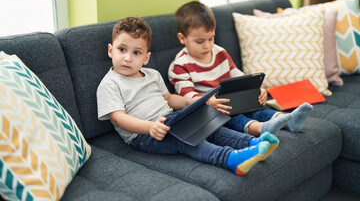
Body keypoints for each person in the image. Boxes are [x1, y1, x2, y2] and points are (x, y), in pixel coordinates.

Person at [96, 17, 280, 176]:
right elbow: (119, 118)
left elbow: (169, 98)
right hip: (144, 135)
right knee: (187, 140)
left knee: (210, 125)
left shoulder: (152, 74)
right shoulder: (110, 84)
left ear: (146, 58)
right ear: (111, 50)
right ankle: (229, 159)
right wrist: (149, 127)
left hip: (172, 119)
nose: (128, 58)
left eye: (136, 52)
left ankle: (252, 144)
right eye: (122, 49)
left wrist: (198, 102)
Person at [168, 1, 313, 137]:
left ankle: (287, 120)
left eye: (211, 38)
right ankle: (261, 128)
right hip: (208, 110)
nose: (207, 46)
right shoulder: (179, 66)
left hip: (230, 101)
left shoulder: (220, 53)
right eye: (200, 41)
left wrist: (257, 89)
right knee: (231, 118)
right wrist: (209, 101)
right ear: (182, 38)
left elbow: (239, 77)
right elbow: (188, 97)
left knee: (256, 107)